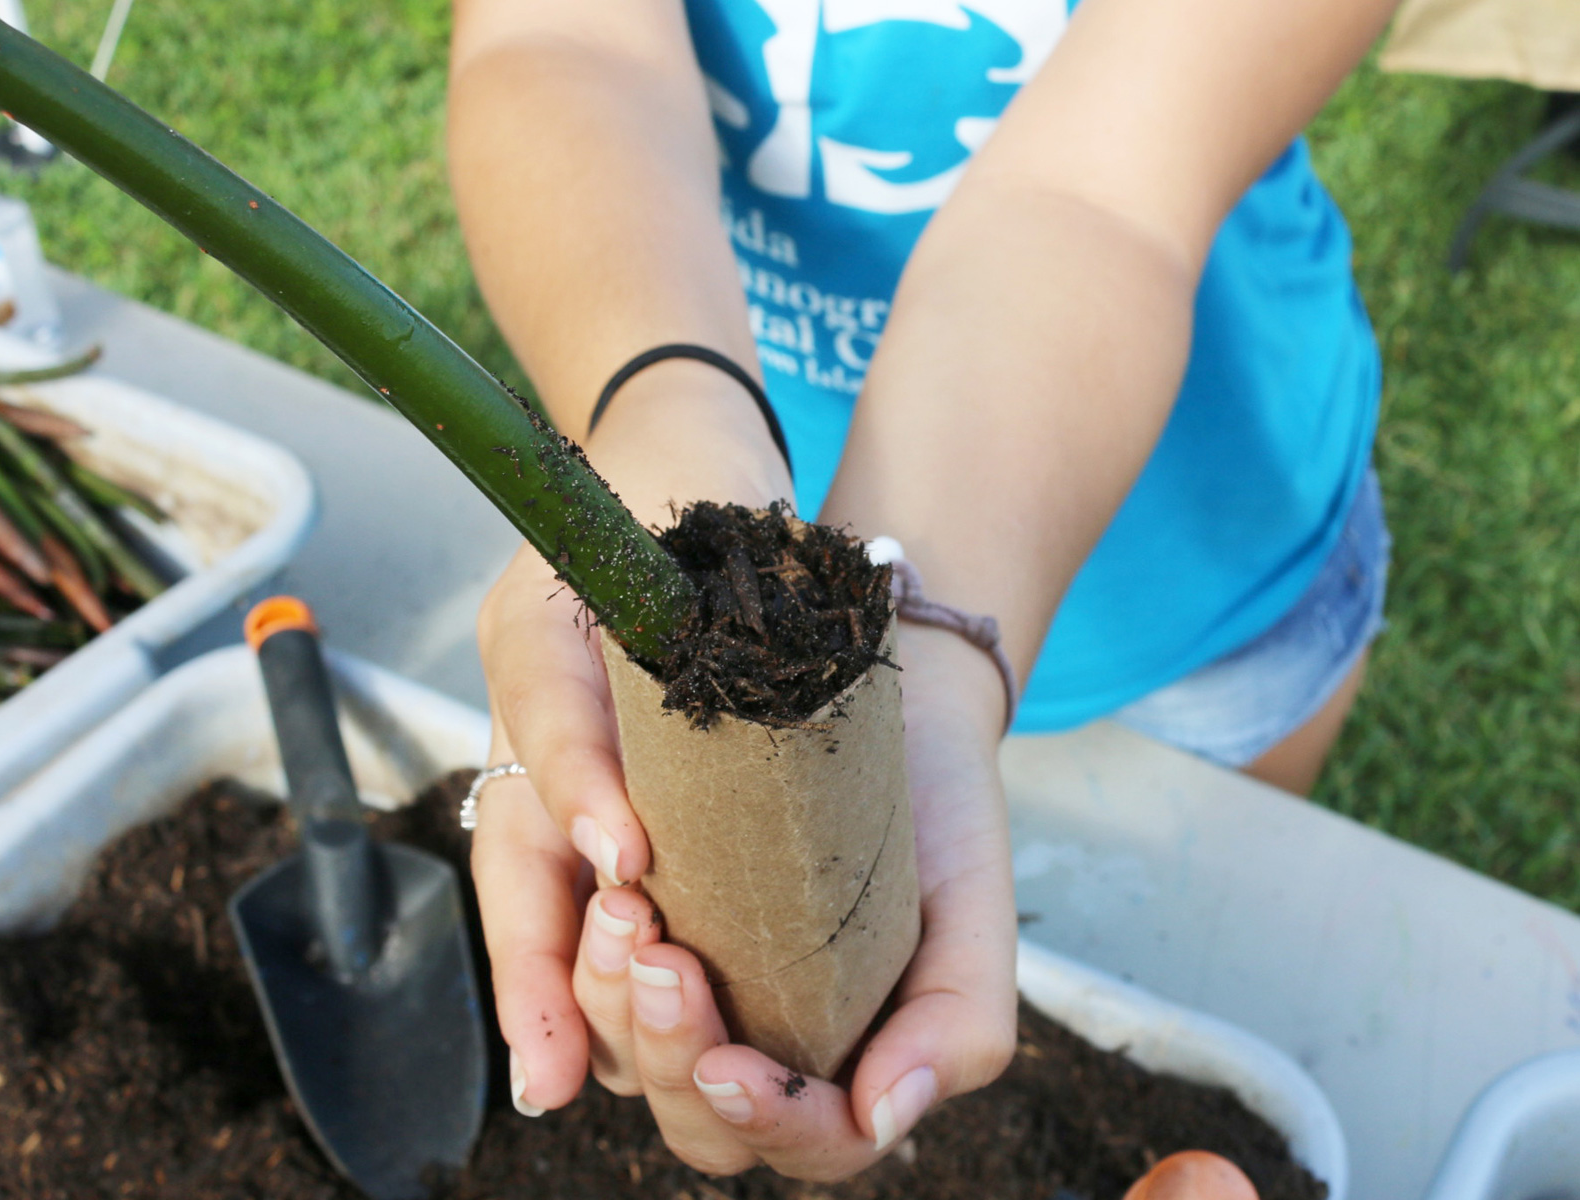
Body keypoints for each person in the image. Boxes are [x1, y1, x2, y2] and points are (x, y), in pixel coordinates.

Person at [447, 0, 1397, 1181]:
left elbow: (1100, 190)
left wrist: (932, 637)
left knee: (1170, 948)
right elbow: (561, 45)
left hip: (1202, 563)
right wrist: (671, 417)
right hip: (775, 466)